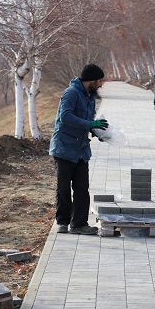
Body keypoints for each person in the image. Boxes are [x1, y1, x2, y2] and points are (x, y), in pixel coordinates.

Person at [49, 63, 108, 235]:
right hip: (65, 148)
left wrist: (97, 131)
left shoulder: (89, 96)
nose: (100, 85)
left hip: (81, 149)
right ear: (90, 80)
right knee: (63, 187)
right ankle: (62, 222)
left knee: (82, 188)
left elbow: (86, 121)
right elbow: (65, 116)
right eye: (99, 81)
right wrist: (89, 124)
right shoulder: (71, 93)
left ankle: (79, 224)